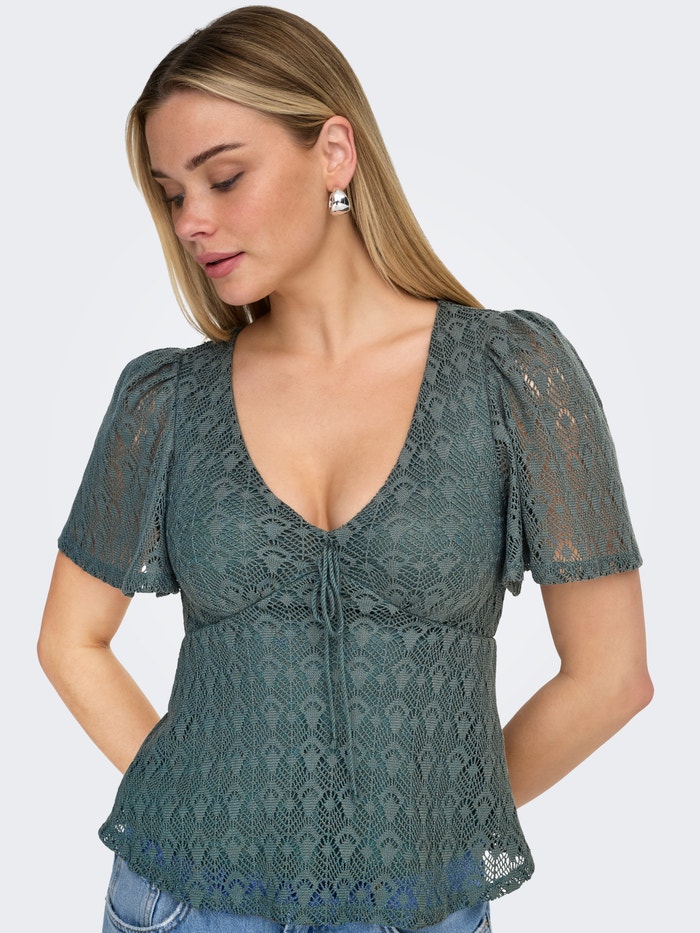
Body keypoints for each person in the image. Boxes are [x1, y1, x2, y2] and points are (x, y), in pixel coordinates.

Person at [38, 6, 653, 932]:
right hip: (184, 901)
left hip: (415, 904)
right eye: (171, 194)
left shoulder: (513, 374)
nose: (193, 221)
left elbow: (612, 675)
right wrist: (202, 809)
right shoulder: (165, 400)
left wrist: (431, 828)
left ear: (334, 153)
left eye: (224, 177)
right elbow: (70, 640)